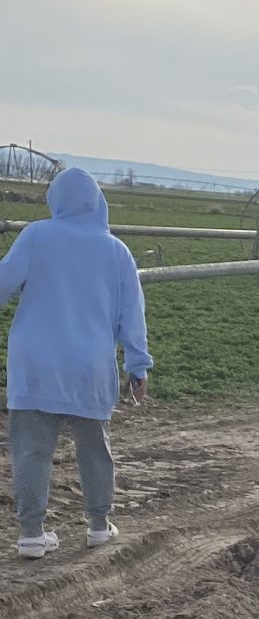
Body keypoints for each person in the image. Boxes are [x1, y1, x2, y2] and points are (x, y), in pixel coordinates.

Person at [0, 166, 153, 560]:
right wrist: (138, 365)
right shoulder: (116, 251)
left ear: (56, 199)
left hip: (34, 363)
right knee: (93, 447)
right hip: (89, 365)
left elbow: (3, 283)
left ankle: (32, 535)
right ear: (97, 202)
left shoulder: (36, 235)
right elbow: (131, 314)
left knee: (32, 449)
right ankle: (99, 526)